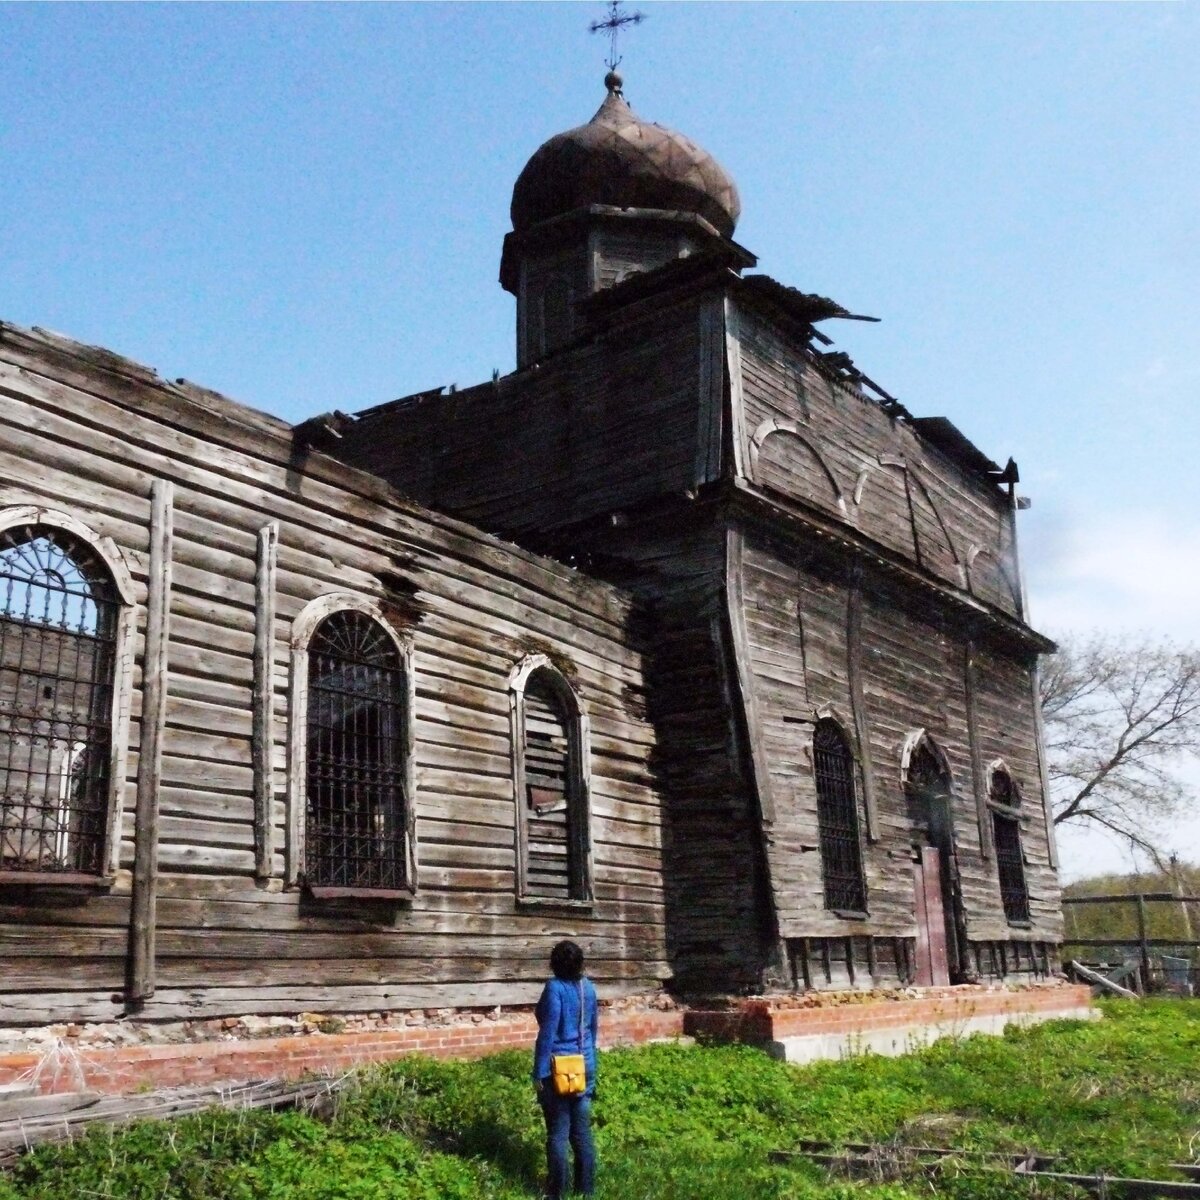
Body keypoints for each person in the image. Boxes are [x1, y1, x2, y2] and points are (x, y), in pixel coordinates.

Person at [532, 939, 598, 1199]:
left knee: (558, 1133)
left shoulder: (554, 988)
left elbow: (547, 1033)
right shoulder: (588, 988)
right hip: (585, 1064)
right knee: (581, 1132)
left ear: (554, 963)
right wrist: (591, 1063)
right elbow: (593, 1029)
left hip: (558, 1067)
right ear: (581, 963)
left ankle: (555, 1193)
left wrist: (539, 1073)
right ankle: (586, 1191)